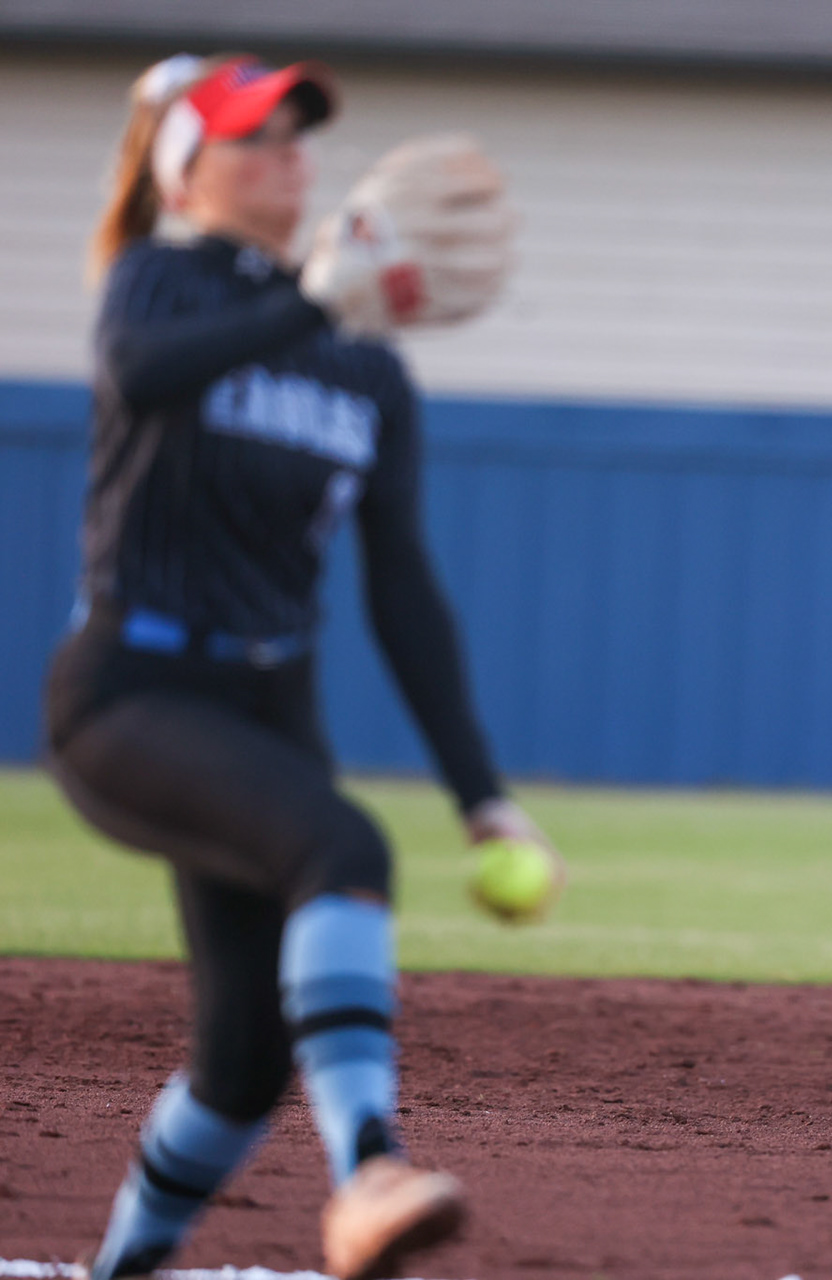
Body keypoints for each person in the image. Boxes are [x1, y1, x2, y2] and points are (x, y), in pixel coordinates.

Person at [43, 54, 553, 1280]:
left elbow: (403, 592)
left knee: (242, 1062)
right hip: (131, 694)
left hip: (269, 706)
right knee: (344, 849)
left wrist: (479, 789)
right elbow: (144, 375)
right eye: (252, 136)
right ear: (189, 171)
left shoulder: (366, 366)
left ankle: (123, 1267)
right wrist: (317, 300)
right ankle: (369, 1165)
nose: (287, 155)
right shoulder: (156, 281)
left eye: (296, 135)